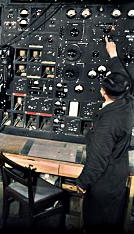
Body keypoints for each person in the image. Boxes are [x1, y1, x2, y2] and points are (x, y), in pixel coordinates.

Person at [76, 36, 134, 233]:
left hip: (103, 183)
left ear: (102, 92)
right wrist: (113, 54)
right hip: (118, 175)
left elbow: (97, 160)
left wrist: (82, 184)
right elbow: (122, 77)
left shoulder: (107, 124)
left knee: (96, 224)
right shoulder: (127, 102)